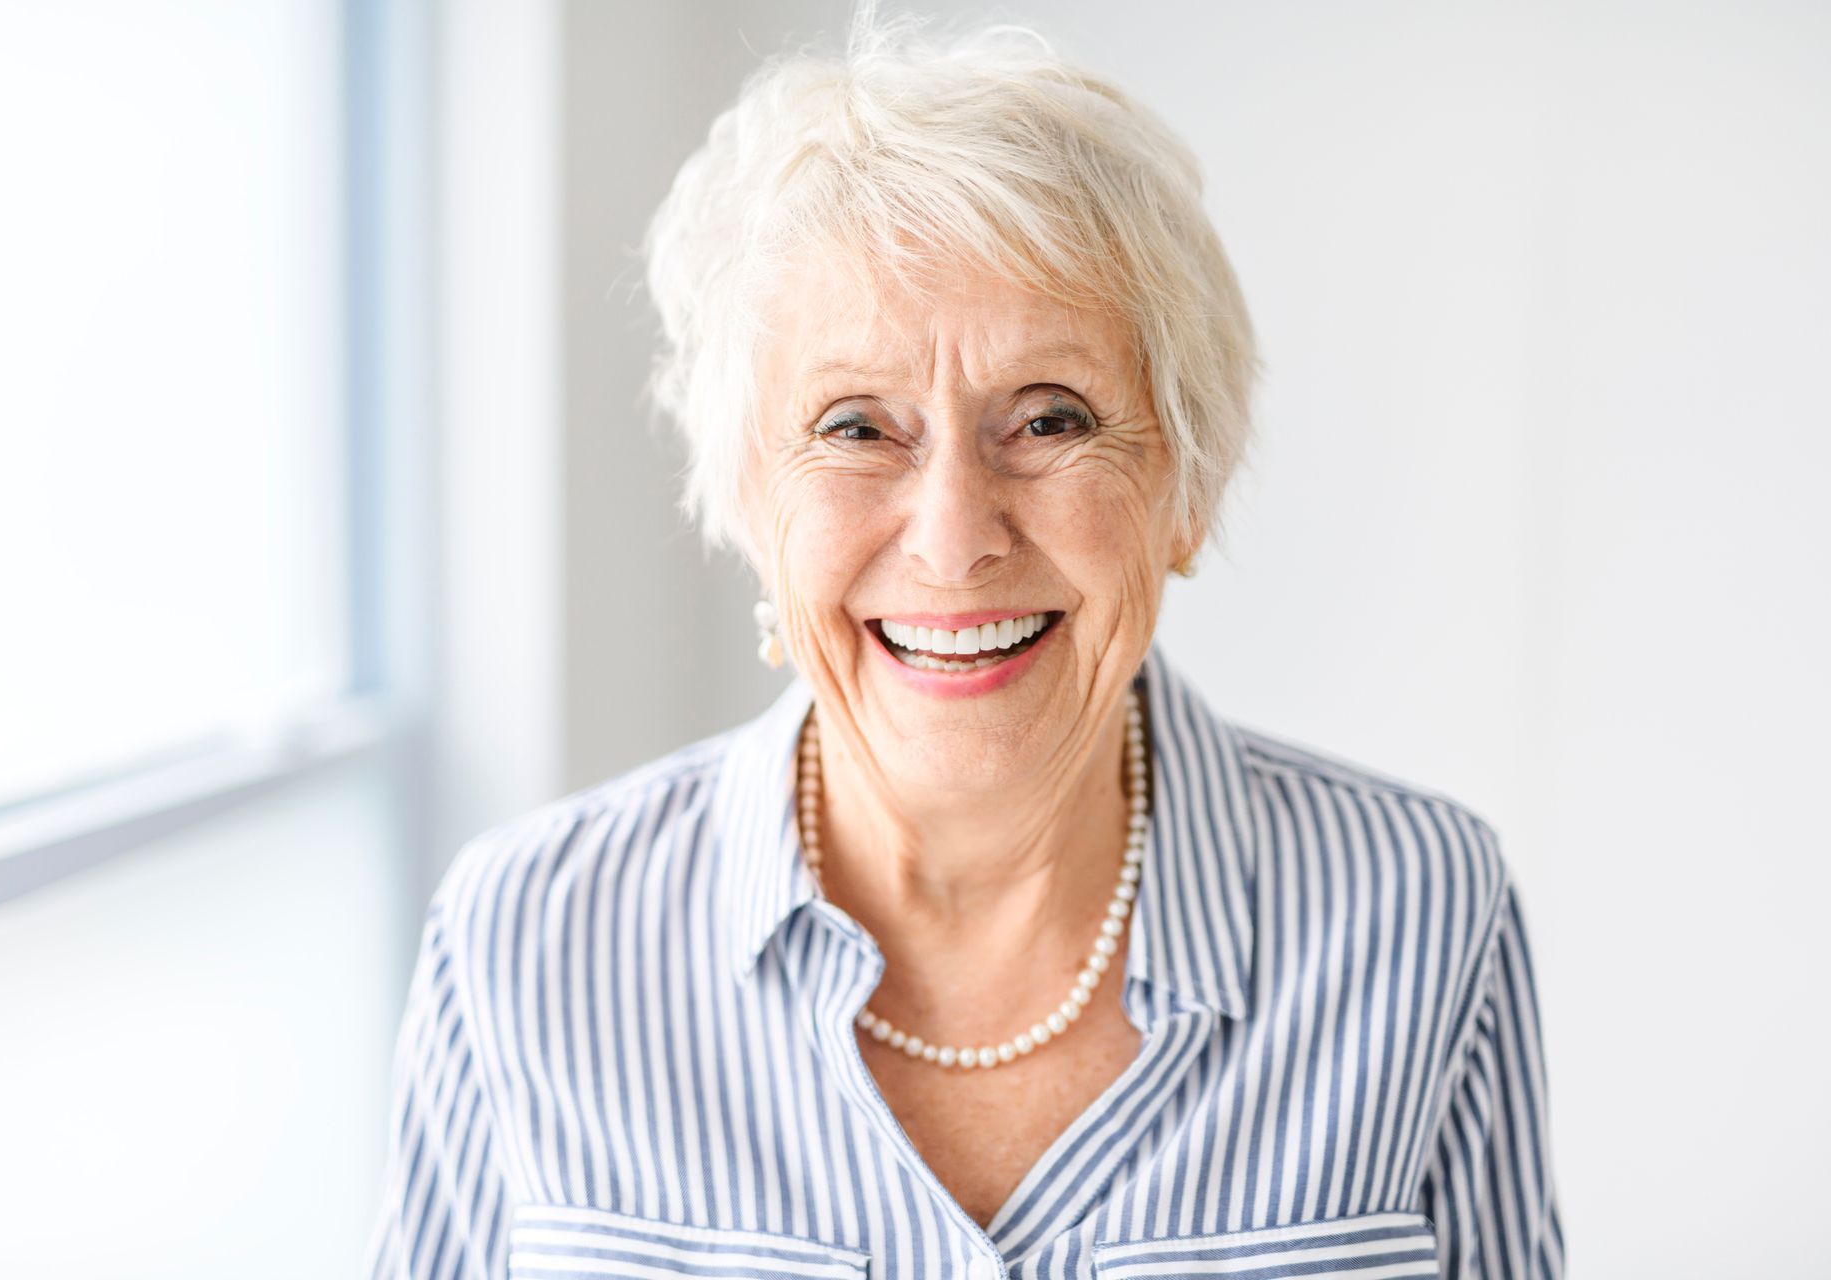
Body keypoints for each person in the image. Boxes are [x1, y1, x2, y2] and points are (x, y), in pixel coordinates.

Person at [371, 15, 1563, 1279]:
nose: (952, 539)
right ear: (746, 504)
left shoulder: (1425, 910)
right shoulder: (523, 935)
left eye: (1049, 419)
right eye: (853, 426)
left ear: (1188, 487)